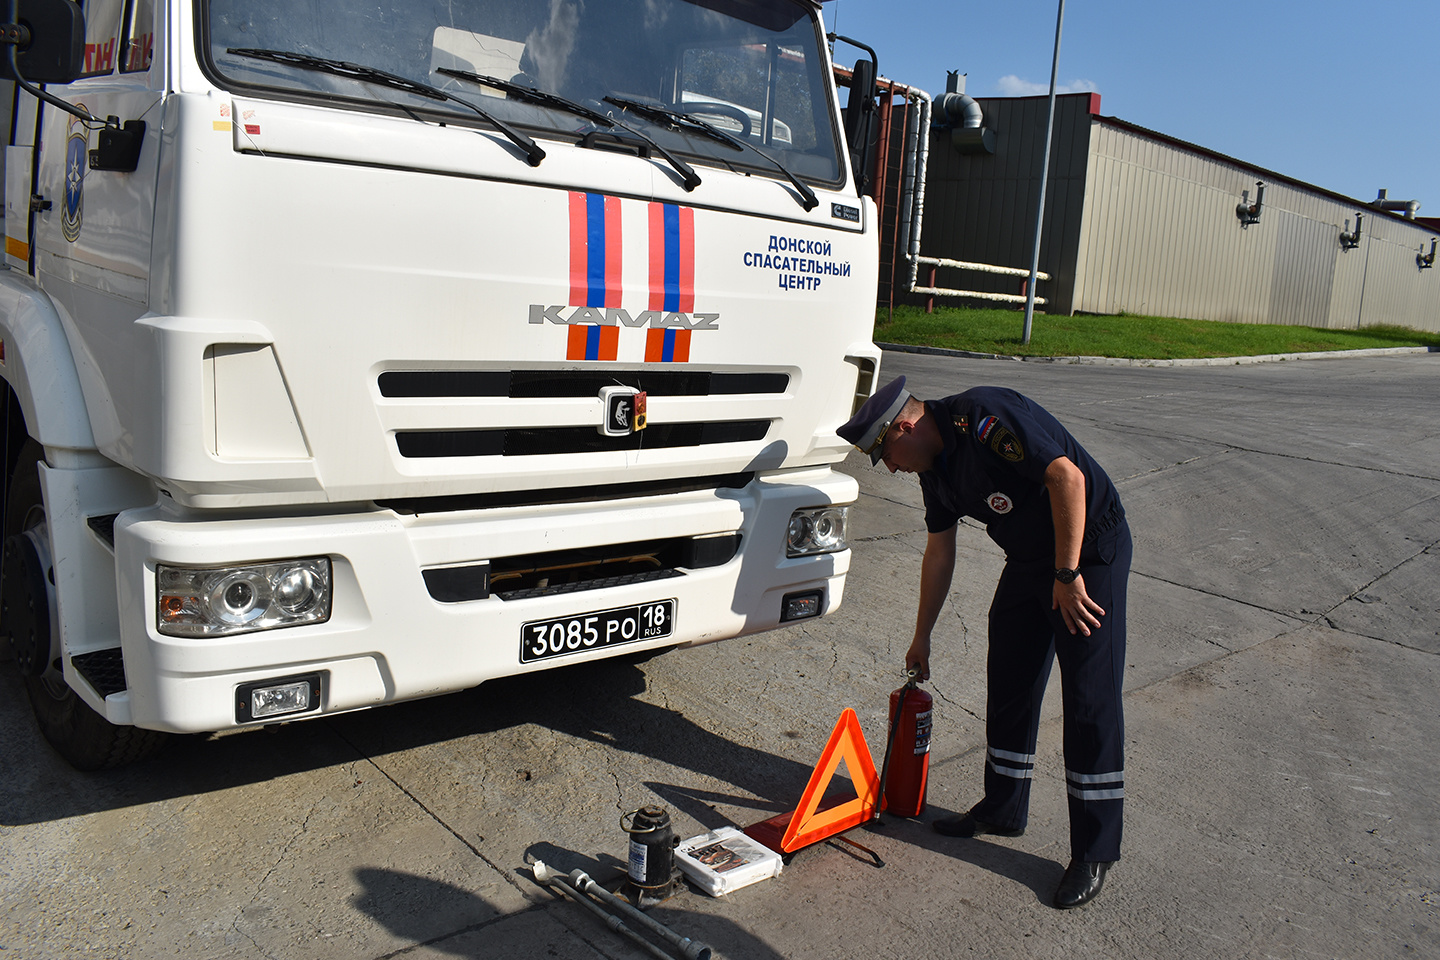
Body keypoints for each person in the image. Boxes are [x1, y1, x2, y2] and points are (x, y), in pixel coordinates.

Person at [838, 375, 1131, 909]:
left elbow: (1067, 479)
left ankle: (1094, 849)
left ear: (906, 426)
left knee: (1089, 696)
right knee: (1012, 672)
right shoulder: (935, 469)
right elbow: (939, 553)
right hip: (1031, 559)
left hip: (1087, 550)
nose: (893, 470)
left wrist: (1067, 578)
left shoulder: (982, 418)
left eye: (887, 455)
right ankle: (1003, 806)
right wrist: (921, 635)